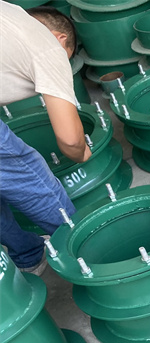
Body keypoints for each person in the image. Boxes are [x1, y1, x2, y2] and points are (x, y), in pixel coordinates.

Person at [0, 2, 91, 274]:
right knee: (27, 172)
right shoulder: (47, 44)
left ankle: (28, 254)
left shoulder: (9, 15)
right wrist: (83, 152)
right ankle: (87, 251)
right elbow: (71, 141)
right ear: (60, 39)